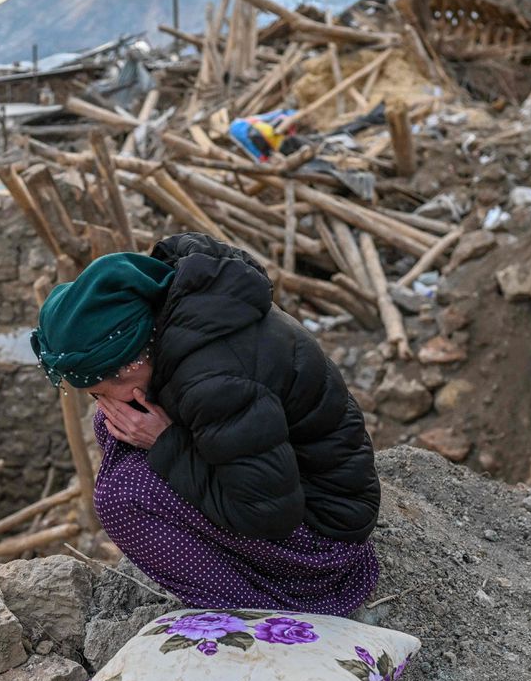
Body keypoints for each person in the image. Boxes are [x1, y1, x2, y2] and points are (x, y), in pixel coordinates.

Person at [30, 232, 380, 616]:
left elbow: (268, 514)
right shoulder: (184, 318)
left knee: (122, 498)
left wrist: (165, 443)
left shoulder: (212, 382)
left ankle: (272, 604)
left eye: (102, 391)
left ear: (130, 363)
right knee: (114, 428)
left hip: (325, 541)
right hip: (294, 482)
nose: (105, 402)